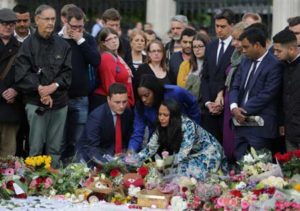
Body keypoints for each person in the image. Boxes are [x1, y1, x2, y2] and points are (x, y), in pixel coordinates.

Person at [14, 5, 72, 168]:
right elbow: (21, 74)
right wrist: (40, 89)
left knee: (55, 149)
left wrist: (53, 86)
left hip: (60, 103)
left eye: (53, 19)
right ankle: (34, 184)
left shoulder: (63, 45)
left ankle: (53, 185)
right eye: (46, 19)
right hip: (35, 102)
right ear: (37, 20)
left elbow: (67, 74)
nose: (50, 22)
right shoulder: (28, 45)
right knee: (36, 148)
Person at [128, 99, 227, 181]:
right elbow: (150, 149)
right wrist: (131, 161)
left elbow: (183, 154)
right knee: (173, 172)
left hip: (209, 153)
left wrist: (163, 163)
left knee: (183, 172)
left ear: (174, 116)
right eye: (159, 114)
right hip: (191, 154)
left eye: (165, 115)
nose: (161, 118)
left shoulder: (187, 125)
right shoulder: (161, 127)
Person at [229, 28, 282, 160]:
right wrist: (234, 107)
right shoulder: (245, 61)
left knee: (260, 169)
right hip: (240, 123)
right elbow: (235, 86)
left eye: (246, 47)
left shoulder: (274, 64)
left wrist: (243, 110)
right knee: (239, 165)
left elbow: (267, 94)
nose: (243, 50)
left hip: (260, 126)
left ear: (257, 45)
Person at [58, 6, 100, 163]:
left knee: (78, 140)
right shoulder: (57, 38)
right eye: (74, 26)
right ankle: (59, 173)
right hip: (60, 97)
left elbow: (96, 61)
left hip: (81, 97)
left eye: (80, 27)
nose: (77, 30)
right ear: (66, 22)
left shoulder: (87, 39)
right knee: (60, 140)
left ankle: (75, 174)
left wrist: (80, 40)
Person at [128, 74, 201, 152]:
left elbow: (193, 103)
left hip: (182, 134)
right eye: (140, 96)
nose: (143, 100)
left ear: (155, 90)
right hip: (158, 138)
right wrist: (131, 151)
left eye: (146, 95)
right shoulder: (140, 107)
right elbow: (138, 132)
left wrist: (194, 126)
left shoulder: (175, 92)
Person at [201, 9, 235, 143]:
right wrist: (208, 102)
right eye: (217, 26)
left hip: (227, 106)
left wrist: (222, 99)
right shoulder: (210, 46)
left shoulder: (237, 47)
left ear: (231, 25)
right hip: (210, 108)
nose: (219, 30)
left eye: (223, 26)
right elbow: (205, 77)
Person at [78, 83, 133, 166]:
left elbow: (127, 137)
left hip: (115, 154)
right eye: (117, 102)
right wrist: (110, 164)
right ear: (108, 99)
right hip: (92, 157)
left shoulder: (127, 113)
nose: (121, 106)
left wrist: (125, 154)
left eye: (124, 102)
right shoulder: (97, 117)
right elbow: (92, 147)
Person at [90, 27, 134, 111]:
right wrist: (122, 104)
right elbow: (110, 86)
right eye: (109, 39)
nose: (114, 41)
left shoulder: (117, 57)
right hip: (114, 104)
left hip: (121, 102)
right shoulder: (106, 58)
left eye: (115, 37)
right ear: (103, 43)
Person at [223, 22, 248, 162]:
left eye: (238, 39)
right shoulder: (234, 56)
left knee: (236, 143)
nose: (234, 43)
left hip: (238, 105)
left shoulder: (247, 59)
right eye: (233, 39)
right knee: (227, 142)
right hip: (229, 103)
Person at [273, 29, 300, 151]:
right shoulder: (281, 65)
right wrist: (281, 123)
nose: (275, 53)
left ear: (291, 49)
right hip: (290, 132)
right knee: (292, 168)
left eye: (278, 50)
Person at [0, 8, 21, 157]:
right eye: (4, 23)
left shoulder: (21, 48)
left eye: (11, 23)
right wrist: (2, 91)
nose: (8, 26)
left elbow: (27, 75)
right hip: (4, 98)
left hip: (10, 108)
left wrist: (16, 90)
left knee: (8, 156)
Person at [177, 33, 210, 99]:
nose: (197, 49)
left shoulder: (212, 64)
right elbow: (180, 87)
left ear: (207, 46)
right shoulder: (185, 65)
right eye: (194, 47)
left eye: (200, 46)